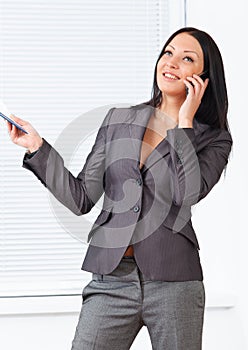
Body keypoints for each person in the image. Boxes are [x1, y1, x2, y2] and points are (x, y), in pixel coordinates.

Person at [6, 27, 233, 350]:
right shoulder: (119, 121)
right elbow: (81, 197)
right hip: (112, 278)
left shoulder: (213, 139)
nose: (172, 63)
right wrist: (38, 148)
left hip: (174, 283)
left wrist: (184, 124)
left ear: (204, 78)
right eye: (168, 53)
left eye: (187, 59)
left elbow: (187, 194)